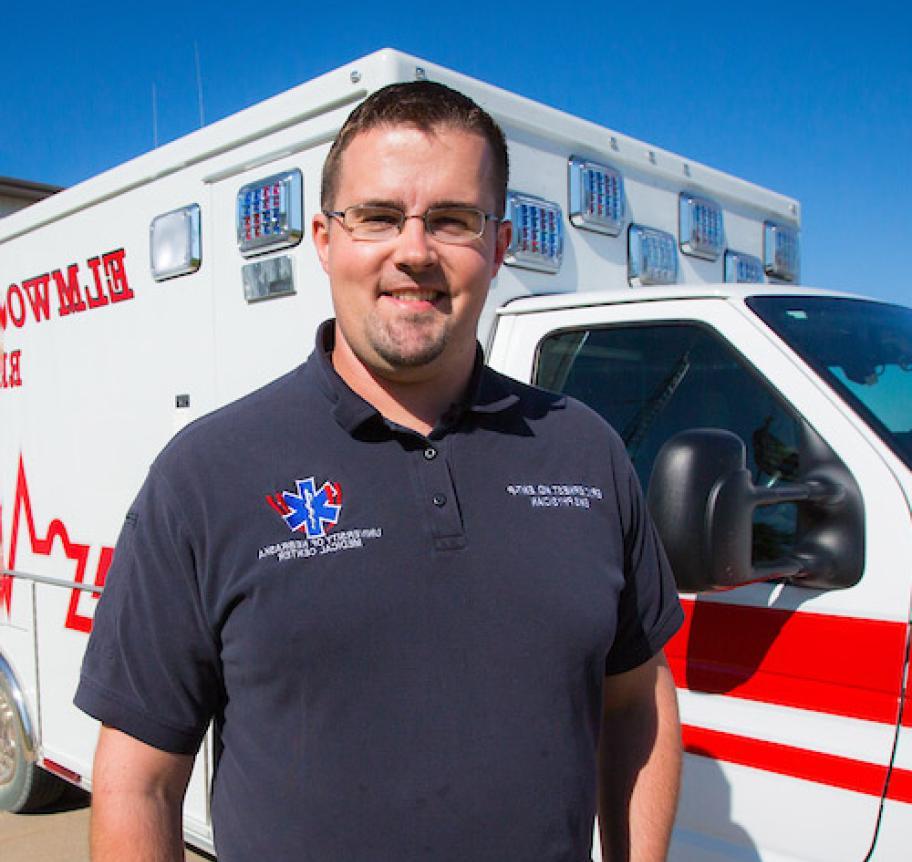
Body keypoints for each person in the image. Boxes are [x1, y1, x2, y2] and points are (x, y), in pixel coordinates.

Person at [75, 80, 683, 862]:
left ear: (498, 247)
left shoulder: (586, 452)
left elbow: (638, 697)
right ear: (326, 240)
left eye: (454, 220)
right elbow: (139, 781)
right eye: (378, 217)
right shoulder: (206, 474)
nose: (415, 250)